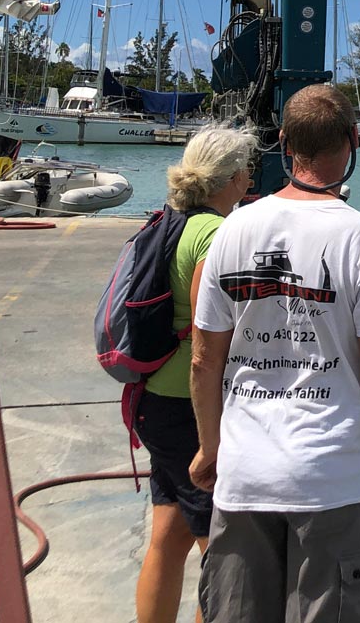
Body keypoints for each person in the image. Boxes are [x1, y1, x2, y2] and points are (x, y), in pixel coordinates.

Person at [189, 84, 360, 623]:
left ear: (283, 143)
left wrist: (210, 447)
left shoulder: (232, 231)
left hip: (245, 477)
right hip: (333, 481)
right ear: (353, 140)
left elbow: (205, 361)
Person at [135, 125, 256, 623]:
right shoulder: (214, 233)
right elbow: (211, 329)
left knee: (168, 533)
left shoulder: (171, 220)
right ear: (234, 178)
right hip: (190, 409)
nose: (252, 175)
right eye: (248, 166)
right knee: (223, 552)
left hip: (156, 399)